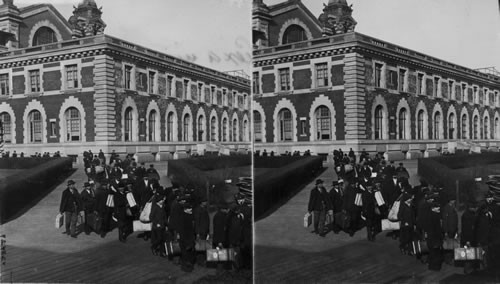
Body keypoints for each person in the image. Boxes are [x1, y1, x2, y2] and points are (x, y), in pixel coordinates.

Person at [150, 191, 168, 256]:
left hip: (163, 225)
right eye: (162, 200)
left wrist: (166, 224)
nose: (163, 201)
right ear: (159, 200)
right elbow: (151, 217)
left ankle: (162, 252)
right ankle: (154, 247)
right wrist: (156, 223)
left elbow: (164, 216)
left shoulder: (162, 206)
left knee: (163, 239)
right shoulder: (155, 207)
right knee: (159, 239)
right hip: (157, 227)